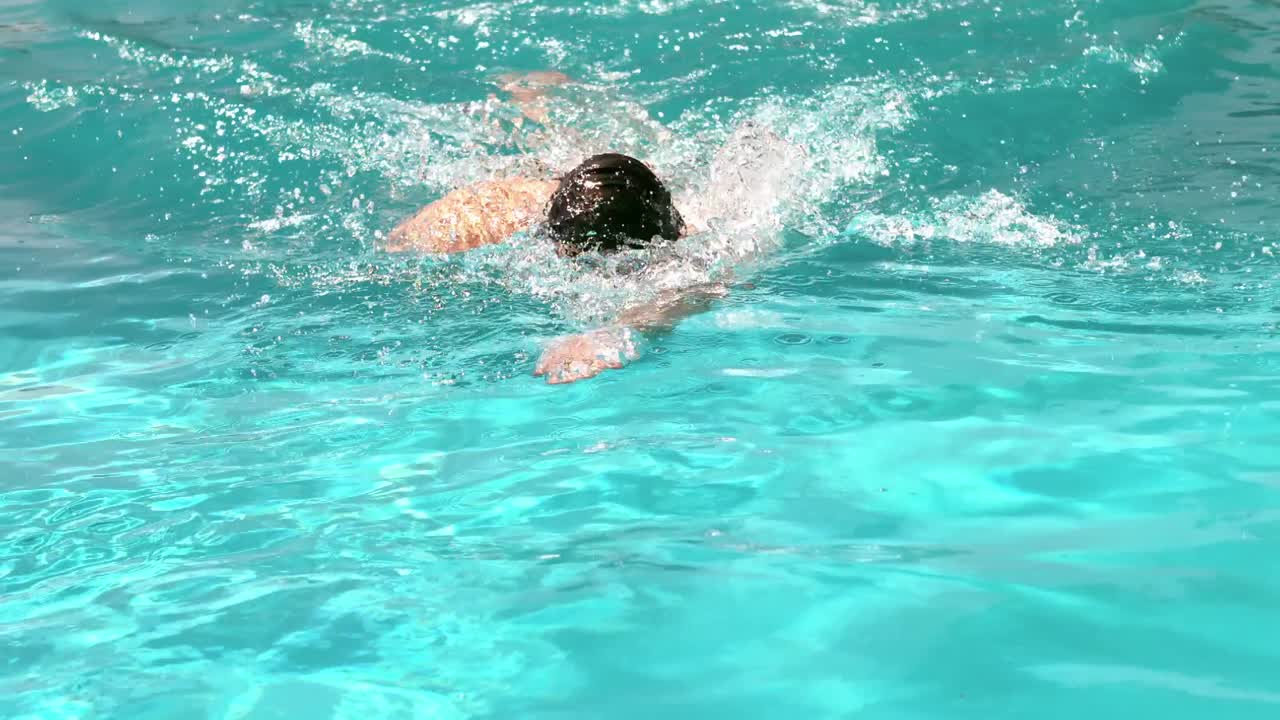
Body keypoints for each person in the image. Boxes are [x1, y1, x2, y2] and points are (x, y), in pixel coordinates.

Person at [385, 73, 795, 384]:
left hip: (607, 196)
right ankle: (531, 96)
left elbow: (691, 293)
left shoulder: (713, 231)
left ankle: (538, 97)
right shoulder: (492, 210)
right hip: (536, 191)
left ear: (675, 234)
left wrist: (615, 332)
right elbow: (398, 243)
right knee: (541, 157)